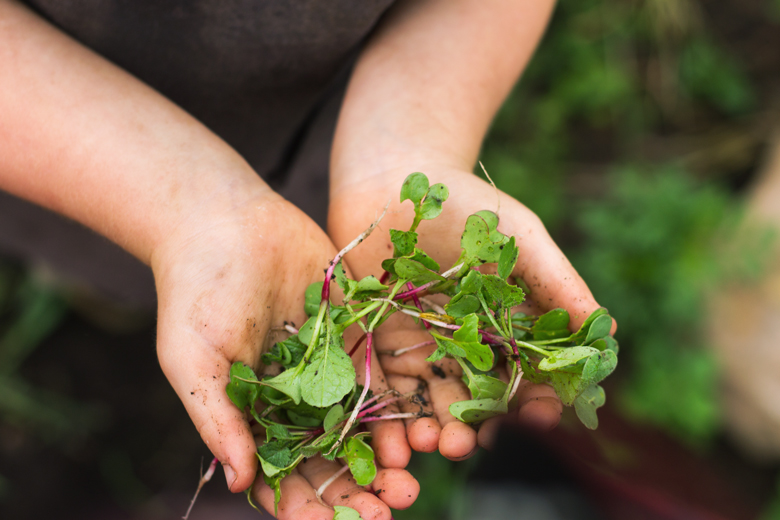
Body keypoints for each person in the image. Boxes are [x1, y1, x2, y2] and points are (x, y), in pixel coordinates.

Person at [0, 1, 608, 518]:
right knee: (120, 265)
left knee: (237, 283)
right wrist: (182, 213)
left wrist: (408, 143)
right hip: (62, 148)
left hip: (348, 131)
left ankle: (130, 288)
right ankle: (108, 285)